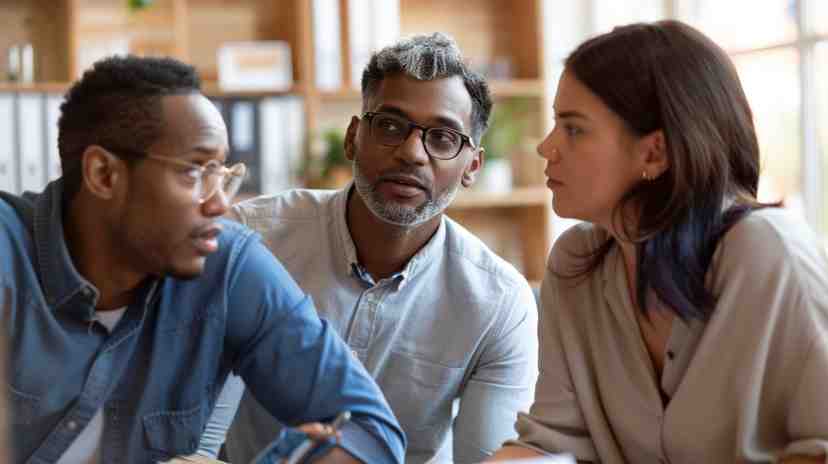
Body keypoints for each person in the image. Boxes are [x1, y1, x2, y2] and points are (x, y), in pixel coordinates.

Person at [0, 55, 405, 464]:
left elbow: (370, 432)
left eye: (222, 173)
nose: (218, 204)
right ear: (104, 174)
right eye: (194, 172)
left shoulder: (224, 263)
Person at [487, 19, 828, 464]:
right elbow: (552, 440)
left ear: (654, 152)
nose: (546, 147)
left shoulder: (767, 253)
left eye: (573, 129)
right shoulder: (575, 262)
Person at [222, 32, 539, 464]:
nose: (412, 153)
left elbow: (485, 459)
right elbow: (191, 437)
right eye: (390, 126)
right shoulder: (251, 241)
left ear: (472, 167)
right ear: (353, 136)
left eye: (443, 138)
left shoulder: (499, 302)